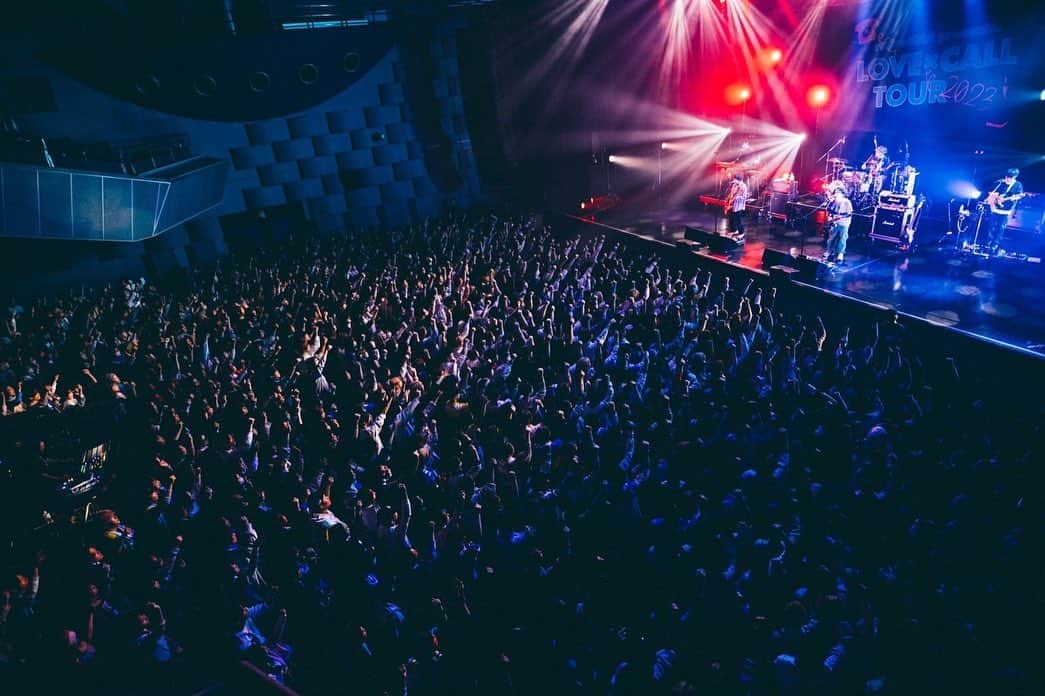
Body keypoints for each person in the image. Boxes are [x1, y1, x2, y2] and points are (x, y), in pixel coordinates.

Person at [983, 168, 1024, 255]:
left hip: (1005, 211)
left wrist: (1014, 198)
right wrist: (995, 198)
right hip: (994, 208)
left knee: (1000, 229)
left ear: (1015, 177)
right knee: (991, 227)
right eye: (1007, 176)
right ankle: (988, 245)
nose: (1008, 179)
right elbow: (990, 192)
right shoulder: (999, 182)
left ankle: (995, 246)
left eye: (1011, 177)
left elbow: (1019, 195)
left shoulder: (1018, 185)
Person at [824, 187, 853, 264]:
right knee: (831, 237)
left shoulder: (847, 202)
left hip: (844, 223)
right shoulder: (834, 201)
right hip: (835, 222)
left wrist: (840, 216)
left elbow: (849, 213)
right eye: (835, 192)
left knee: (842, 238)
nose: (836, 194)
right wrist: (830, 202)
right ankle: (829, 251)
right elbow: (828, 209)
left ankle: (840, 254)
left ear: (842, 194)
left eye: (838, 192)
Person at [724, 172, 748, 240]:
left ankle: (741, 233)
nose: (734, 181)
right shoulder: (734, 184)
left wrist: (733, 200)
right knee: (731, 218)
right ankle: (733, 230)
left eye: (735, 179)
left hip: (738, 205)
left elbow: (740, 196)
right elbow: (731, 193)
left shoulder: (743, 186)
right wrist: (727, 199)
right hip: (732, 204)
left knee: (738, 220)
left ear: (739, 179)